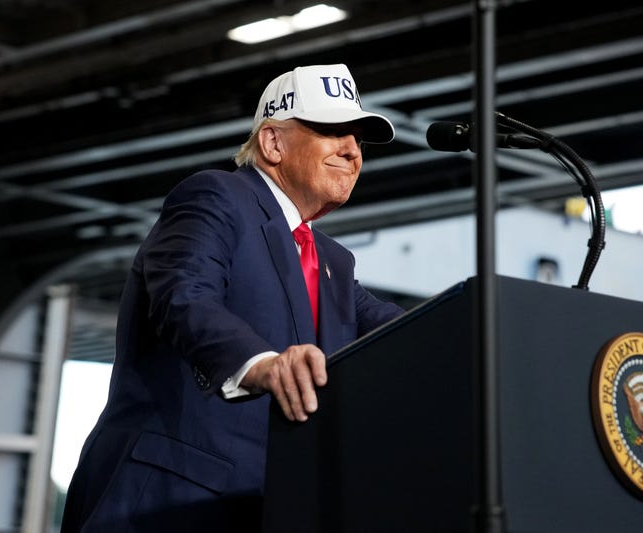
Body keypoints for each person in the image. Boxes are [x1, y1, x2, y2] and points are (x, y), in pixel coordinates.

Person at [61, 64, 404, 532]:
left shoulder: (333, 262)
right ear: (273, 143)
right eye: (332, 131)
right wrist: (260, 362)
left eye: (358, 140)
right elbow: (184, 294)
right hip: (167, 501)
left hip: (268, 508)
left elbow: (396, 330)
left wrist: (483, 332)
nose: (351, 150)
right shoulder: (215, 196)